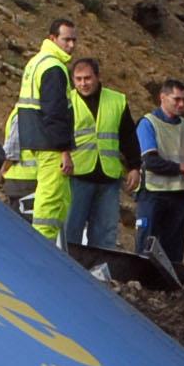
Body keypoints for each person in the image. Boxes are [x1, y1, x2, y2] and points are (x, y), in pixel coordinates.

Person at [3, 17, 78, 242]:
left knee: (42, 202)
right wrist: (64, 150)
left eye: (74, 40)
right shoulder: (54, 68)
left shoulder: (35, 63)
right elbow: (54, 113)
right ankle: (42, 252)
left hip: (33, 142)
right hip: (50, 147)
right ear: (52, 38)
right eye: (66, 40)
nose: (71, 45)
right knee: (50, 204)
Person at [130, 77, 184, 269]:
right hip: (154, 193)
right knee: (147, 246)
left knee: (173, 251)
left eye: (183, 100)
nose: (181, 104)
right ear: (162, 97)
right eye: (176, 99)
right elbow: (150, 161)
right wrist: (182, 168)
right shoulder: (148, 123)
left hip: (179, 193)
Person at [60, 56, 130, 250]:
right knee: (71, 230)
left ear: (98, 77)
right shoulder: (67, 101)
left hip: (108, 177)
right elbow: (58, 133)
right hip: (77, 174)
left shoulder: (117, 100)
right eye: (78, 79)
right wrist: (63, 155)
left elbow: (128, 136)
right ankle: (69, 269)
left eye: (88, 78)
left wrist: (134, 167)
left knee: (105, 233)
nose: (83, 83)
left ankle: (100, 274)